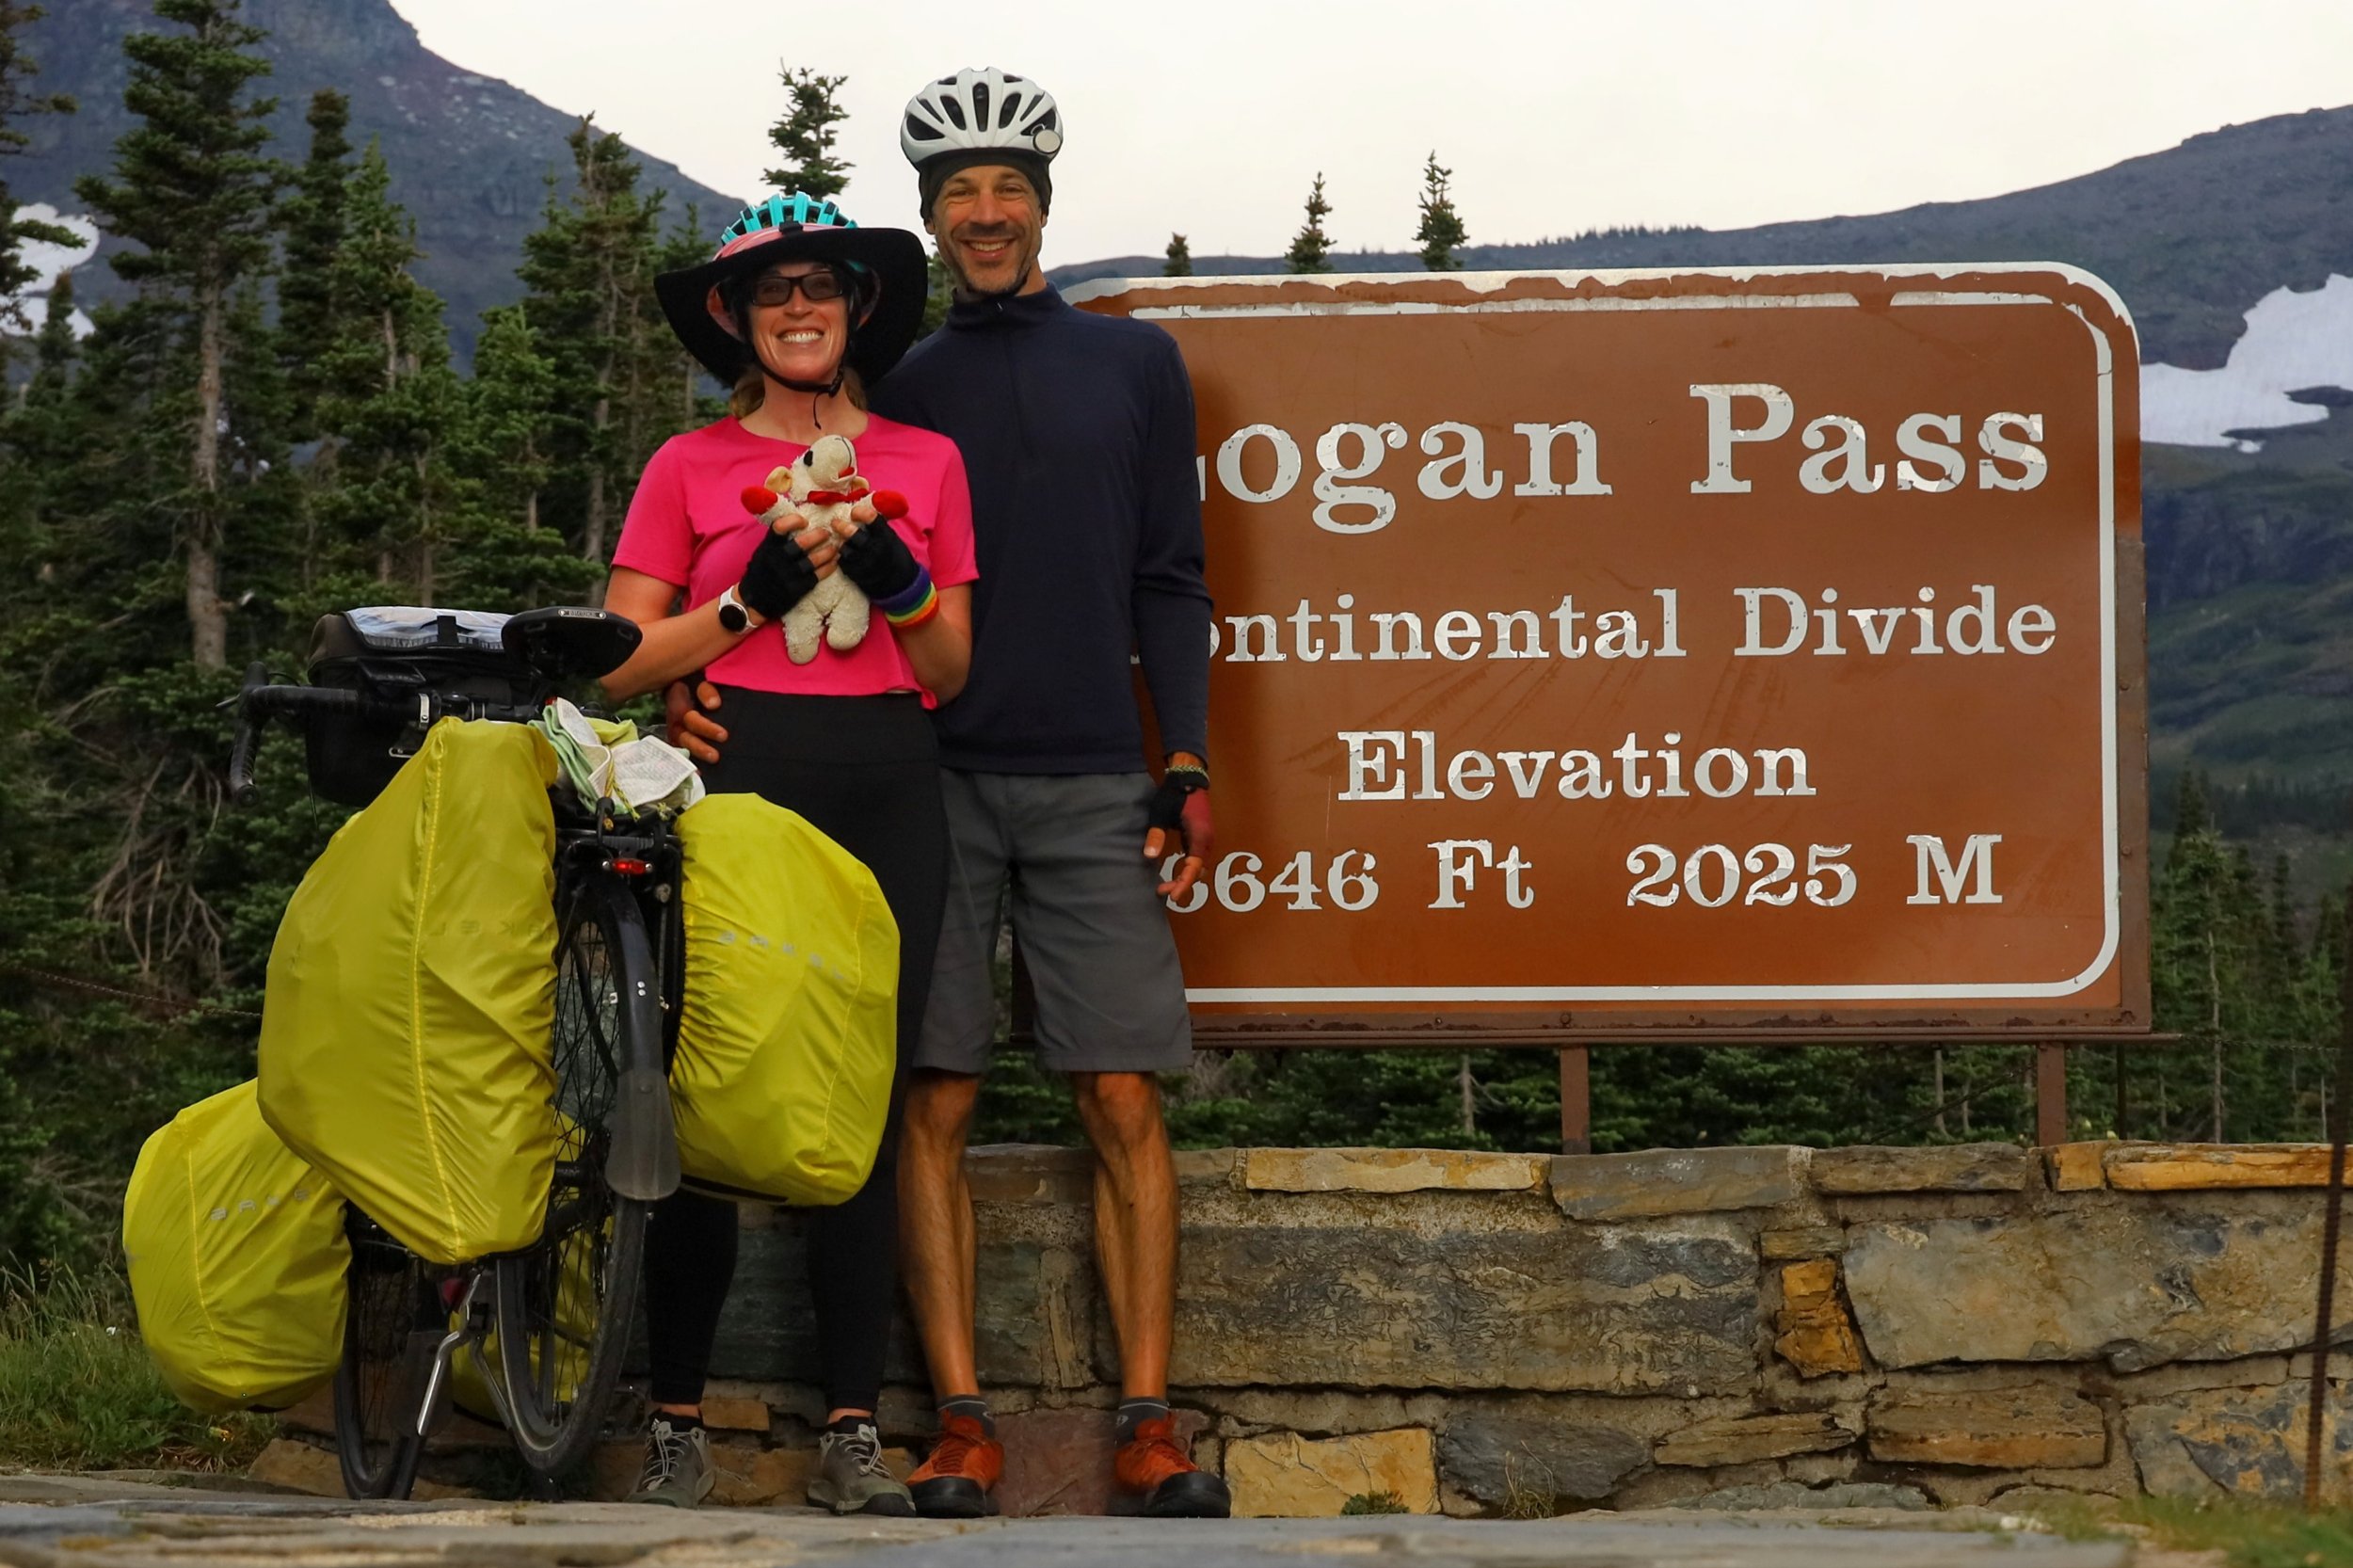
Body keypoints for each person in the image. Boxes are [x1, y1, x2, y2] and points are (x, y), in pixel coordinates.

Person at [669, 68, 1228, 1519]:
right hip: (926, 773)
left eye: (1008, 192)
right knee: (931, 1093)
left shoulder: (1137, 365)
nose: (986, 214)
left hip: (1096, 767)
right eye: (959, 197)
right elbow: (738, 557)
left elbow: (1172, 573)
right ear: (929, 218)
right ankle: (959, 1418)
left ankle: (1151, 1421)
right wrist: (690, 669)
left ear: (1044, 202)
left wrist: (1190, 756)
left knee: (1120, 1089)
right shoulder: (892, 390)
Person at [603, 191, 976, 1514]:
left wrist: (897, 580)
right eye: (773, 293)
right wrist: (744, 603)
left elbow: (948, 664)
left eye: (820, 286)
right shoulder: (686, 465)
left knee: (860, 1106)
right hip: (732, 771)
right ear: (735, 318)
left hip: (886, 776)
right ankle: (676, 1422)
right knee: (702, 1094)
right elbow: (622, 658)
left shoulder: (924, 461)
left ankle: (855, 1429)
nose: (800, 308)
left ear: (856, 306)